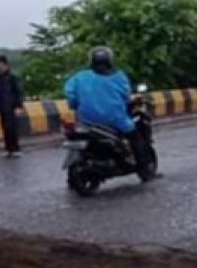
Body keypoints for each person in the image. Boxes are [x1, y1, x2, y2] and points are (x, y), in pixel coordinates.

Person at [65, 46, 152, 174]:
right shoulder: (119, 77)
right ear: (110, 60)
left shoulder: (80, 77)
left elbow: (71, 96)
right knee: (135, 136)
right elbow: (126, 96)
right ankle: (143, 167)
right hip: (115, 120)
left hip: (86, 121)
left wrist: (74, 104)